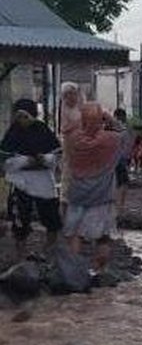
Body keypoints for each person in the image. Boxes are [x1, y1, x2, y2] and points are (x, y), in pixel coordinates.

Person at [63, 102, 122, 273]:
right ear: (101, 121)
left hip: (77, 195)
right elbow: (123, 132)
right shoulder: (111, 139)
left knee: (75, 234)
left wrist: (84, 120)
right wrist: (109, 119)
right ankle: (99, 271)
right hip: (102, 197)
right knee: (103, 237)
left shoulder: (73, 139)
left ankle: (74, 271)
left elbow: (70, 128)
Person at [0, 99, 62, 258]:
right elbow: (6, 161)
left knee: (51, 218)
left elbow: (55, 156)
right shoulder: (12, 134)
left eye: (25, 116)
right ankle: (22, 254)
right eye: (18, 116)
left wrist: (44, 160)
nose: (21, 120)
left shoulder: (43, 131)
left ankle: (48, 252)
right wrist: (27, 161)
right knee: (20, 218)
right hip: (20, 182)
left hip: (43, 182)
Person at [59, 82, 83, 209]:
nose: (72, 97)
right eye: (68, 95)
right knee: (68, 173)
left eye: (74, 94)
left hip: (81, 145)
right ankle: (65, 201)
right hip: (70, 145)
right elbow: (64, 129)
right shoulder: (64, 110)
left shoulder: (79, 108)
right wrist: (76, 125)